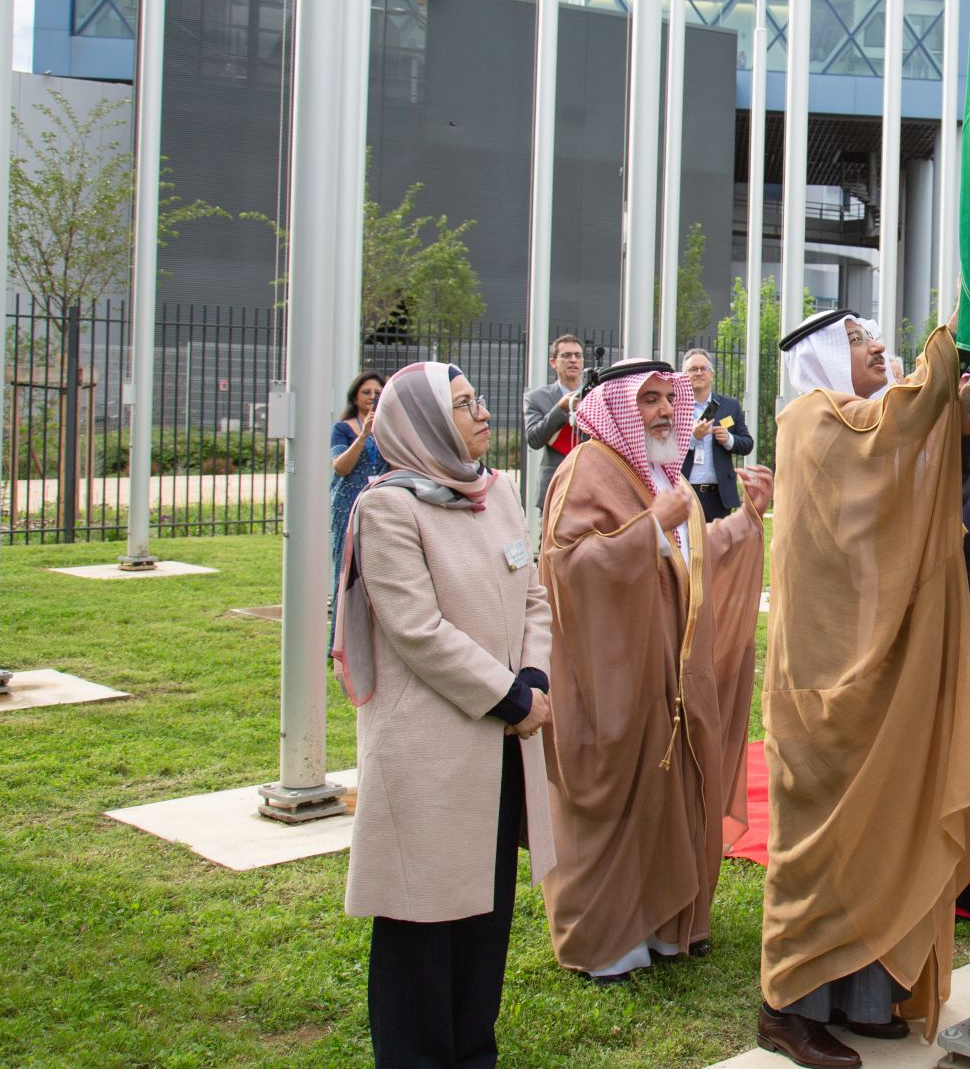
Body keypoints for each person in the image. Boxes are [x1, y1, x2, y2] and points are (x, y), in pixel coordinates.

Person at [758, 309, 970, 1068]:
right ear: (825, 357)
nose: (878, 348)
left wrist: (958, 404)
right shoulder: (811, 417)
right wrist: (949, 340)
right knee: (820, 849)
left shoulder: (851, 422)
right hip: (823, 682)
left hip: (868, 663)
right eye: (860, 341)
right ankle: (786, 1009)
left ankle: (862, 999)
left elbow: (903, 466)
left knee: (877, 833)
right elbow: (891, 429)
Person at [333, 362, 556, 1069]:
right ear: (426, 423)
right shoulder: (387, 509)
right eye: (463, 404)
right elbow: (417, 629)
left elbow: (533, 594)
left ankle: (472, 1054)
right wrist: (513, 698)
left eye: (477, 399)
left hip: (498, 745)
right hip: (430, 752)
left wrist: (534, 673)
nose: (482, 412)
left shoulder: (499, 493)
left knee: (484, 921)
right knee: (422, 926)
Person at [534, 357, 771, 982]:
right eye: (649, 400)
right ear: (615, 408)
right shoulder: (586, 469)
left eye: (670, 398)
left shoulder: (665, 473)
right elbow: (566, 567)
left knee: (669, 791)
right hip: (612, 675)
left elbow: (691, 556)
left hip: (669, 671)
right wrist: (649, 530)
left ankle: (666, 924)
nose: (666, 410)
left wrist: (745, 520)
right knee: (616, 796)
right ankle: (607, 939)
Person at [329, 371, 389, 650]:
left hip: (380, 504)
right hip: (348, 504)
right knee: (346, 570)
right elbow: (341, 467)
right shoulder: (343, 428)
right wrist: (364, 434)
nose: (372, 397)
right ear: (355, 396)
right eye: (366, 392)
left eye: (378, 393)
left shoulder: (388, 427)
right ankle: (341, 641)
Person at [678, 349, 755, 522]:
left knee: (718, 540)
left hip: (719, 496)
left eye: (703, 368)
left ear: (711, 374)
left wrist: (729, 440)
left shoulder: (729, 406)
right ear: (684, 376)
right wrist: (693, 438)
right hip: (685, 492)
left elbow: (747, 444)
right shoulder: (675, 407)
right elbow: (665, 447)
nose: (699, 373)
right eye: (693, 369)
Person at [522, 334, 586, 507]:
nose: (573, 360)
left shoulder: (596, 395)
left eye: (578, 355)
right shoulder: (536, 398)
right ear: (553, 362)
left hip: (591, 484)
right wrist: (560, 408)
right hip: (555, 488)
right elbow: (534, 440)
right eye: (566, 355)